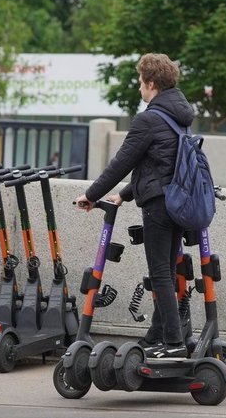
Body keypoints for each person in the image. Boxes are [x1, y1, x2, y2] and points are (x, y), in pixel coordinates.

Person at [74, 53, 193, 359]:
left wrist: (91, 194)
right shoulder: (177, 118)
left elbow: (123, 162)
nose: (139, 87)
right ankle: (156, 336)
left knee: (161, 273)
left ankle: (173, 343)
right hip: (179, 203)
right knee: (165, 272)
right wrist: (124, 195)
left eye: (141, 81)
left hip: (159, 205)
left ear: (151, 83)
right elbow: (160, 165)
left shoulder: (149, 119)